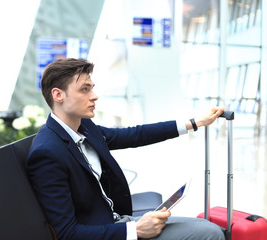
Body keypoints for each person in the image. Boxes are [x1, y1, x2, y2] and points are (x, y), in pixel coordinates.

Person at [26, 58, 225, 240]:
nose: (94, 96)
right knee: (211, 233)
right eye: (85, 89)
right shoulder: (47, 152)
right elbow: (68, 234)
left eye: (92, 88)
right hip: (111, 232)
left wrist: (193, 123)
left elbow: (134, 135)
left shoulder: (84, 128)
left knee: (207, 227)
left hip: (118, 221)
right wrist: (135, 230)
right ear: (58, 95)